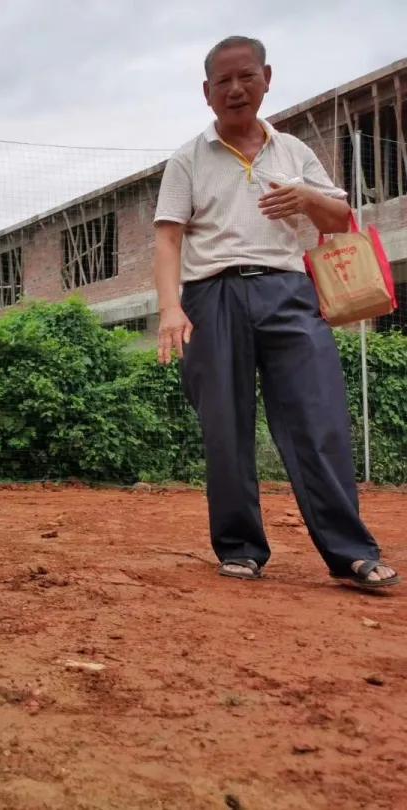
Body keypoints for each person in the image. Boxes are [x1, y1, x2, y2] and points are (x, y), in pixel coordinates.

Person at [152, 36, 399, 590]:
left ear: (267, 78)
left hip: (288, 292)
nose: (236, 89)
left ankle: (350, 552)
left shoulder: (294, 152)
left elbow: (340, 219)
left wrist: (306, 199)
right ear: (207, 92)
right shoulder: (186, 159)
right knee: (225, 426)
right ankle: (240, 547)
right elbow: (168, 240)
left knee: (319, 418)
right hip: (210, 297)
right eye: (223, 82)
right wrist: (171, 309)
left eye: (246, 77)